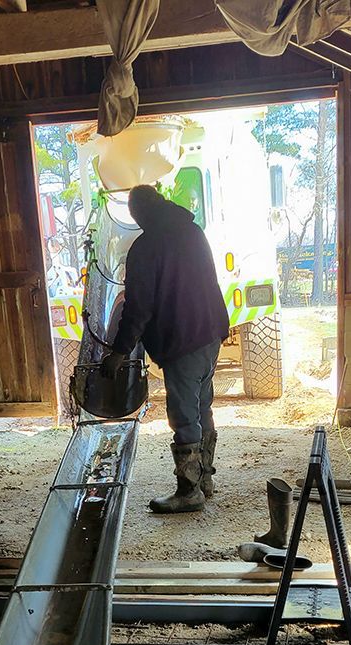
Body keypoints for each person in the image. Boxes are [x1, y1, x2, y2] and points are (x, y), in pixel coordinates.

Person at [102, 184, 229, 514]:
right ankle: (204, 480)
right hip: (210, 332)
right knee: (202, 407)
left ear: (138, 213)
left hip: (181, 338)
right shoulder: (193, 232)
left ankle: (189, 492)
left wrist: (119, 351)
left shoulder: (146, 247)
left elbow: (138, 308)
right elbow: (210, 280)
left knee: (184, 414)